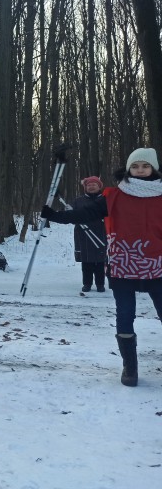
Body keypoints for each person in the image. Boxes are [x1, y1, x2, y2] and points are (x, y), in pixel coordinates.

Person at [41, 147, 162, 387]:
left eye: (145, 166)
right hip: (123, 265)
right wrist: (55, 216)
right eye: (135, 166)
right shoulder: (114, 196)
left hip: (157, 266)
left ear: (153, 169)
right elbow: (84, 214)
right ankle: (130, 367)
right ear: (128, 169)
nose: (140, 170)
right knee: (125, 315)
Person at [72, 176, 107, 292]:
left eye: (94, 185)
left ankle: (100, 284)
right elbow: (71, 216)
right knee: (86, 261)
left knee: (100, 261)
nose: (91, 187)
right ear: (85, 187)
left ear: (99, 186)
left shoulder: (105, 199)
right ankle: (87, 283)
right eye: (89, 185)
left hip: (101, 233)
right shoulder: (78, 201)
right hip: (83, 234)